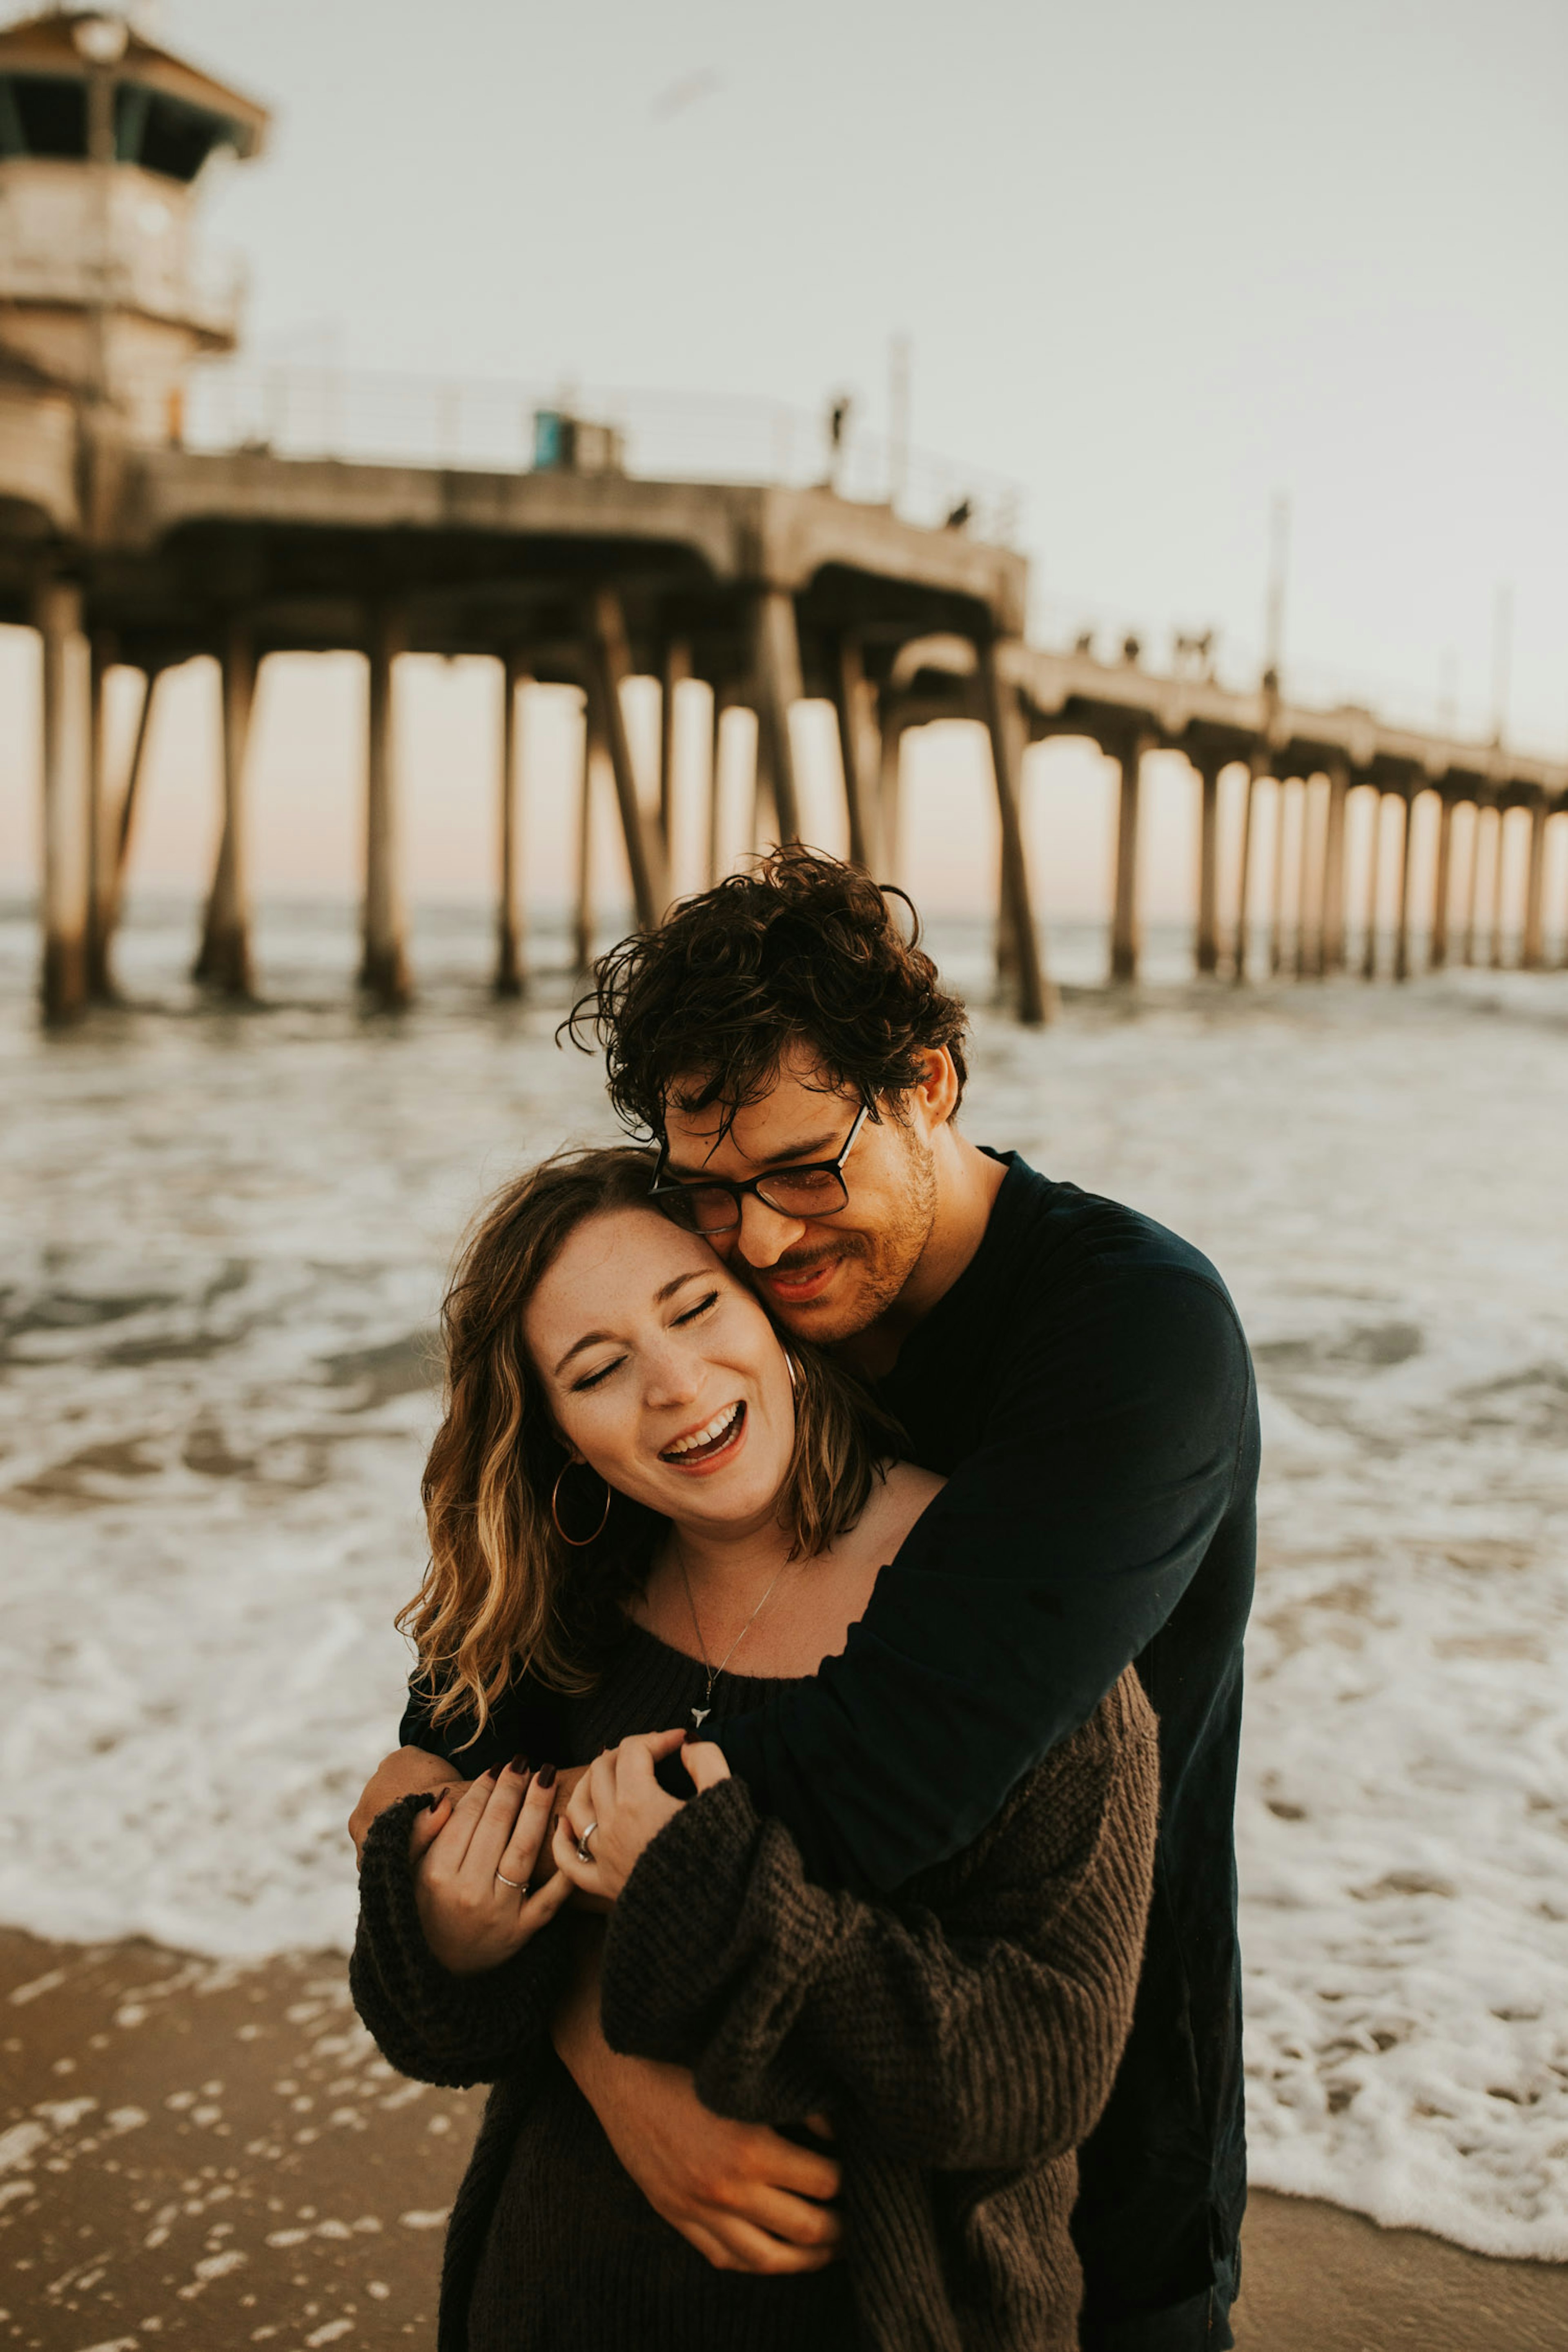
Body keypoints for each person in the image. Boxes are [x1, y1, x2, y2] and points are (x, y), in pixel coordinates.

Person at [353, 847, 1259, 2351]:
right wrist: (608, 2069)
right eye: (712, 1195)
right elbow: (457, 1750)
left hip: (1071, 2087)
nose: (762, 1241)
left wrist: (569, 1998)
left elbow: (868, 1794)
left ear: (931, 1087)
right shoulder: (732, 1328)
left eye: (803, 1167)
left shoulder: (1131, 1339)